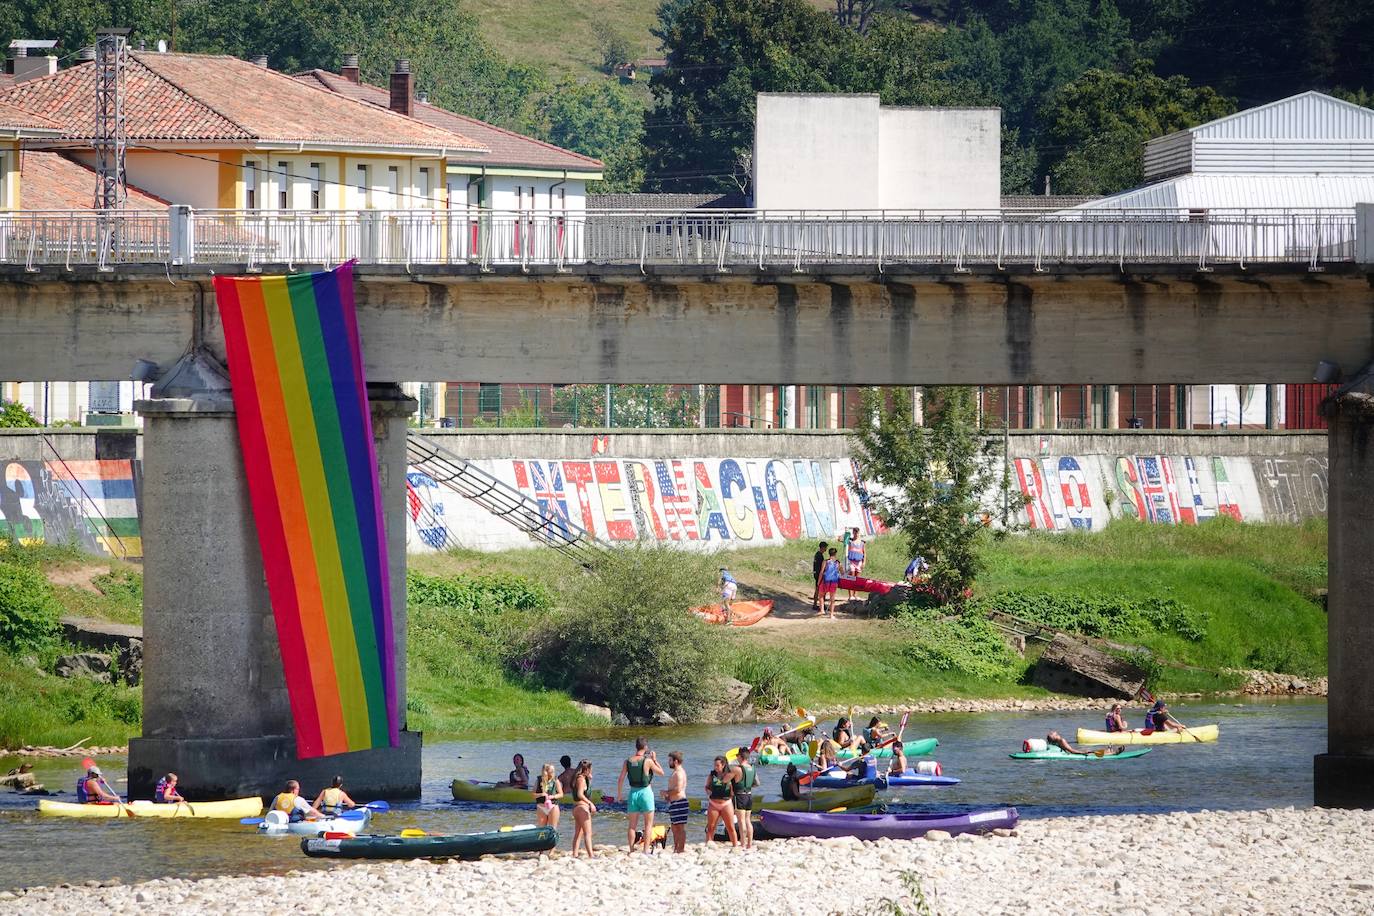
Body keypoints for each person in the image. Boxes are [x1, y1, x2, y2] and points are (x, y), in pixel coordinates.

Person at [617, 737, 664, 854]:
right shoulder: (647, 761)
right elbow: (661, 773)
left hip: (633, 793)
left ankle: (631, 849)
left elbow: (621, 779)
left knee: (632, 826)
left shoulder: (627, 761)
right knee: (648, 824)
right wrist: (655, 759)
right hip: (645, 792)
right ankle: (645, 851)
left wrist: (619, 794)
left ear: (636, 747)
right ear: (646, 747)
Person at [704, 756, 738, 847]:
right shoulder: (712, 775)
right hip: (713, 803)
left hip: (726, 803)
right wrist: (708, 791)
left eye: (717, 765)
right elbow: (706, 786)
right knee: (711, 827)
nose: (715, 767)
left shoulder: (730, 775)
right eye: (714, 765)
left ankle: (735, 846)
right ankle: (708, 845)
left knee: (730, 827)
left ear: (723, 765)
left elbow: (735, 787)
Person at [731, 746, 756, 849]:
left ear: (740, 757)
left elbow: (725, 779)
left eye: (737, 756)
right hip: (749, 795)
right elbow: (756, 783)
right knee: (747, 820)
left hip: (740, 796)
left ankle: (742, 843)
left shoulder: (737, 769)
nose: (737, 757)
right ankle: (749, 844)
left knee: (741, 821)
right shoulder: (752, 768)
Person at [664, 751, 689, 854]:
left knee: (680, 827)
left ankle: (681, 849)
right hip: (674, 802)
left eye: (670, 760)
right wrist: (668, 796)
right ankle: (676, 848)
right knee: (674, 827)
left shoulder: (679, 773)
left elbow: (678, 789)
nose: (668, 762)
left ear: (676, 761)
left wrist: (665, 792)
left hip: (680, 802)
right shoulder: (676, 772)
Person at [571, 760, 597, 858]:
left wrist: (590, 780)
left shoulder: (579, 778)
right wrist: (590, 803)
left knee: (578, 832)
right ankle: (591, 855)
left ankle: (575, 854)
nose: (592, 770)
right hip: (582, 808)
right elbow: (580, 794)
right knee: (587, 833)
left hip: (577, 807)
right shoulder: (581, 779)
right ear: (587, 769)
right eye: (591, 769)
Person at [534, 763, 562, 829]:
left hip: (553, 806)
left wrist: (553, 796)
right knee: (541, 830)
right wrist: (541, 794)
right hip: (541, 807)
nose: (553, 773)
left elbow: (561, 794)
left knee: (552, 829)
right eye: (551, 771)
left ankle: (552, 839)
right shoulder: (538, 780)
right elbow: (533, 795)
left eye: (553, 771)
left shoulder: (555, 780)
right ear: (546, 771)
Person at [818, 548, 841, 618]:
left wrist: (819, 582)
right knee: (832, 599)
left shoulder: (825, 561)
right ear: (835, 553)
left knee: (821, 595)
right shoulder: (838, 562)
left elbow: (821, 572)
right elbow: (842, 572)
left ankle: (822, 610)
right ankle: (831, 614)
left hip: (825, 581)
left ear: (829, 553)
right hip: (834, 582)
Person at [811, 540, 829, 609]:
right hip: (819, 575)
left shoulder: (817, 554)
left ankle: (815, 604)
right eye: (825, 547)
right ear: (822, 547)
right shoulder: (820, 556)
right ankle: (822, 605)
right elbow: (821, 567)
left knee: (817, 589)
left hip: (816, 574)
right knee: (821, 590)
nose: (826, 549)